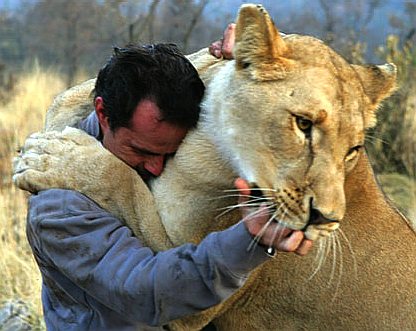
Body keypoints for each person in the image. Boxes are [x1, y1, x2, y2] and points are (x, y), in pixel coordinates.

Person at [23, 28, 313, 331]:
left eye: (171, 154)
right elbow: (144, 291)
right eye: (142, 151)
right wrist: (250, 241)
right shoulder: (59, 205)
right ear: (103, 114)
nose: (158, 168)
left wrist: (260, 51)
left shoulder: (162, 135)